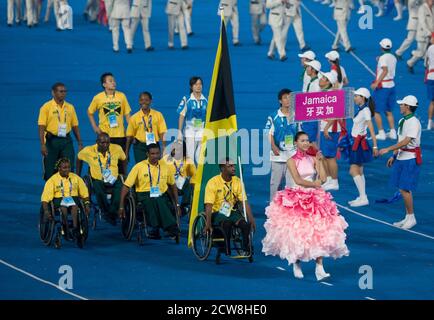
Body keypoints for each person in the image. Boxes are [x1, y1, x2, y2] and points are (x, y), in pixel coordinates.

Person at [262, 131, 349, 281]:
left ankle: (319, 267)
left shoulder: (313, 158)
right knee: (298, 233)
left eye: (307, 140)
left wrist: (320, 161)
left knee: (318, 231)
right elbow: (298, 179)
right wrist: (313, 184)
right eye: (302, 140)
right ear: (296, 143)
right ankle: (296, 264)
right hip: (297, 198)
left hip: (314, 198)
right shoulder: (291, 160)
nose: (306, 143)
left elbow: (322, 179)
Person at [119, 143, 181, 240]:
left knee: (158, 199)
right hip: (144, 194)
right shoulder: (139, 167)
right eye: (152, 154)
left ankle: (155, 228)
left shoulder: (165, 166)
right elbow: (126, 186)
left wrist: (177, 204)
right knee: (155, 199)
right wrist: (122, 205)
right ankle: (170, 226)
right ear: (147, 154)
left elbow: (173, 186)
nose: (155, 156)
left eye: (157, 153)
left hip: (162, 194)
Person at [379, 95, 422, 230]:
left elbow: (406, 141)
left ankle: (411, 216)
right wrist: (394, 155)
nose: (400, 106)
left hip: (410, 159)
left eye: (402, 104)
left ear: (408, 107)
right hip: (402, 157)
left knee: (405, 189)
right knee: (402, 188)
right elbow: (400, 141)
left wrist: (388, 149)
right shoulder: (403, 121)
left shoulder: (413, 122)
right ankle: (408, 217)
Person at [204, 158, 256, 255]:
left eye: (233, 165)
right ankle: (226, 247)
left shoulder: (237, 182)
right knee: (227, 223)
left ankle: (246, 247)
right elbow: (208, 205)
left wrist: (251, 219)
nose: (233, 168)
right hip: (217, 212)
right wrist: (208, 223)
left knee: (245, 225)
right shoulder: (213, 182)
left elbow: (244, 202)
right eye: (230, 166)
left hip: (231, 211)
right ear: (223, 169)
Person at [77, 132, 126, 225]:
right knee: (98, 189)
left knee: (121, 189)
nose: (106, 145)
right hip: (97, 180)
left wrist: (124, 173)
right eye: (103, 143)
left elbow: (123, 159)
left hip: (114, 179)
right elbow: (78, 158)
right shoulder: (89, 150)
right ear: (97, 142)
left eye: (108, 143)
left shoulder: (117, 148)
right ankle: (105, 211)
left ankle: (111, 213)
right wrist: (78, 176)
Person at [38, 82, 83, 181]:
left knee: (69, 164)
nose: (63, 93)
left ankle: (70, 190)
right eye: (60, 91)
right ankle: (50, 192)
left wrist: (79, 142)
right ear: (53, 93)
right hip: (52, 140)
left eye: (65, 91)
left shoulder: (70, 107)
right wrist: (42, 144)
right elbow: (41, 126)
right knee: (50, 167)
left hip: (66, 140)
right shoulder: (46, 107)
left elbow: (75, 126)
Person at [87, 72, 131, 173]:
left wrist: (131, 130)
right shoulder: (98, 97)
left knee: (121, 163)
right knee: (104, 162)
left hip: (120, 136)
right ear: (104, 84)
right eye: (110, 81)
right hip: (105, 137)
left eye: (114, 80)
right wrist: (95, 127)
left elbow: (127, 115)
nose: (114, 83)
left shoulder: (121, 96)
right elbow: (89, 112)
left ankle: (121, 185)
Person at [41, 158, 90, 238]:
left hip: (73, 198)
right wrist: (46, 211)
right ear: (59, 168)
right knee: (63, 208)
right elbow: (45, 198)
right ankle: (66, 226)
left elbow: (84, 194)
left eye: (68, 167)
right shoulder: (52, 180)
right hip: (59, 199)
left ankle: (75, 228)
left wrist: (87, 205)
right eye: (64, 168)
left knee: (75, 207)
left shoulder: (76, 178)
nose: (67, 170)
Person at [346, 88, 379, 207]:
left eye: (356, 96)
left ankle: (363, 197)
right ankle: (362, 196)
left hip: (358, 144)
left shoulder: (365, 111)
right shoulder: (361, 110)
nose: (354, 98)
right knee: (360, 170)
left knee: (353, 170)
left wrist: (375, 146)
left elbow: (371, 128)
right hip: (355, 142)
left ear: (363, 98)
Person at [266, 88, 297, 202]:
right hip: (278, 156)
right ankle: (272, 210)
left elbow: (300, 133)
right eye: (285, 98)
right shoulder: (274, 116)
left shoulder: (297, 115)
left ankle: (289, 211)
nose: (288, 100)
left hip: (293, 156)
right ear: (280, 101)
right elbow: (268, 133)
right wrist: (273, 146)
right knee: (275, 185)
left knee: (291, 185)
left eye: (290, 97)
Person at [126, 91, 168, 163]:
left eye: (146, 100)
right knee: (141, 167)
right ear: (139, 101)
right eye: (141, 100)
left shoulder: (158, 115)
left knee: (155, 167)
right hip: (140, 147)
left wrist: (164, 147)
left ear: (150, 101)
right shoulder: (134, 117)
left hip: (154, 145)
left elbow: (162, 132)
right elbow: (129, 136)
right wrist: (126, 152)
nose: (144, 102)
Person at [318, 72, 342, 191]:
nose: (320, 79)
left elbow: (336, 113)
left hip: (331, 129)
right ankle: (328, 180)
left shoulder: (333, 94)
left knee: (330, 157)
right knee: (325, 156)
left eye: (323, 78)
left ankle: (334, 181)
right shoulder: (326, 93)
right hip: (325, 127)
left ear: (328, 82)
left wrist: (327, 128)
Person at [371, 38, 397, 141]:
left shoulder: (383, 58)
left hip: (383, 87)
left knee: (375, 110)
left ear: (381, 47)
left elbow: (385, 70)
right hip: (391, 85)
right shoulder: (393, 57)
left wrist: (376, 83)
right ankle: (393, 132)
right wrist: (379, 60)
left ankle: (381, 133)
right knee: (388, 111)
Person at [177, 76, 208, 163]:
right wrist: (179, 132)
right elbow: (182, 116)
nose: (198, 86)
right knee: (190, 156)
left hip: (202, 132)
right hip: (190, 132)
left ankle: (198, 176)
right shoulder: (187, 99)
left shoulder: (206, 100)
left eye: (200, 84)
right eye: (195, 84)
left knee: (200, 157)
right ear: (191, 86)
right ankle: (189, 176)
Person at [163, 140, 196, 216]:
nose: (177, 151)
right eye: (175, 149)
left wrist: (193, 189)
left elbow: (195, 176)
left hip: (181, 186)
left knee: (188, 182)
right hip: (168, 187)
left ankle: (185, 206)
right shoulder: (165, 159)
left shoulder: (188, 160)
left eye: (180, 149)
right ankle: (171, 208)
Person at [407, 0, 434, 73]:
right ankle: (410, 63)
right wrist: (429, 33)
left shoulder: (433, 8)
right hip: (423, 35)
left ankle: (427, 66)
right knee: (421, 53)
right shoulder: (422, 8)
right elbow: (422, 23)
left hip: (432, 35)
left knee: (429, 52)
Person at [425, 33, 434, 129]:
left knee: (432, 101)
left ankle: (429, 123)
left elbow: (426, 64)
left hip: (431, 76)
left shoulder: (429, 48)